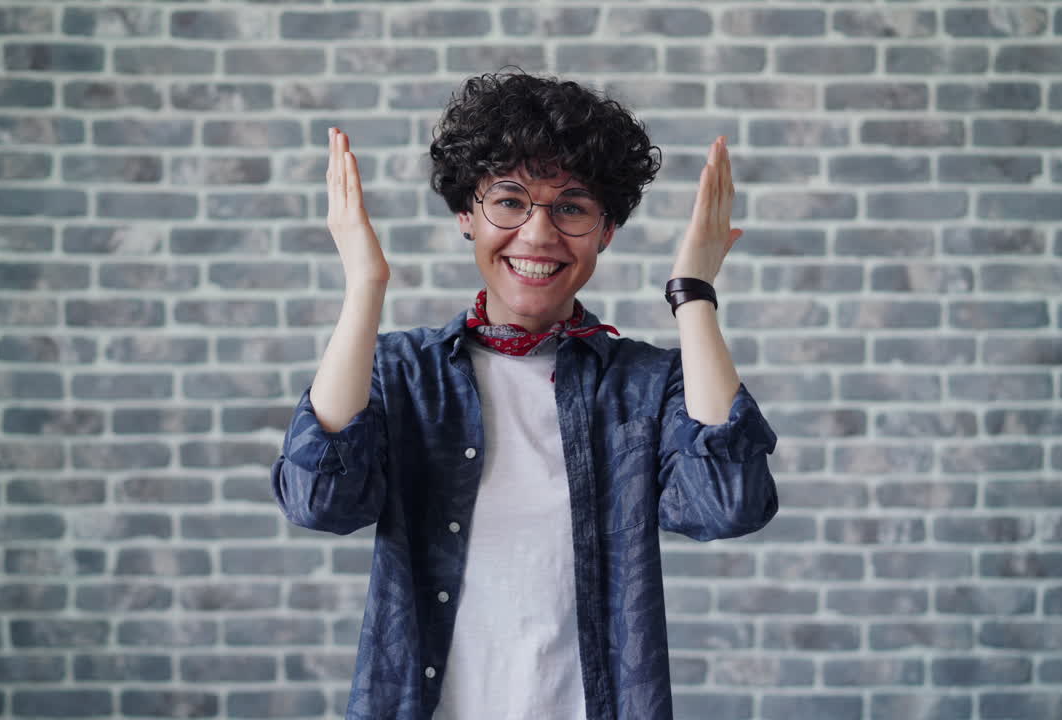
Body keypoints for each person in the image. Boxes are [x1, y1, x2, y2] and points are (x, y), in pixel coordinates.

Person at [271, 71, 778, 720]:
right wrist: (364, 285)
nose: (538, 235)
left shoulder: (647, 385)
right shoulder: (404, 371)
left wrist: (693, 292)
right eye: (509, 201)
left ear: (607, 230)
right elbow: (320, 501)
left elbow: (726, 506)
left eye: (572, 206)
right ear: (465, 215)